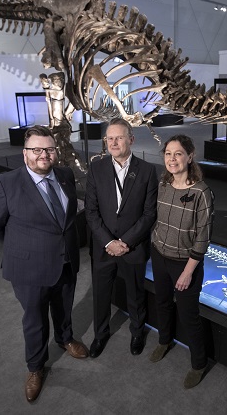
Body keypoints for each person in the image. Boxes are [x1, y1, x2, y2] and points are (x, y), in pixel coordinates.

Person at [0, 125, 88, 403]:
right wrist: (23, 247)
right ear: (25, 152)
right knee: (35, 320)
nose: (44, 154)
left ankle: (65, 338)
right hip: (29, 268)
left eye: (49, 149)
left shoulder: (64, 175)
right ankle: (35, 367)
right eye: (37, 149)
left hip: (65, 260)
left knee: (64, 307)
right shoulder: (7, 183)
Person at [85, 118, 158, 358]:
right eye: (109, 138)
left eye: (119, 137)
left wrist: (125, 243)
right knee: (101, 295)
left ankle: (137, 332)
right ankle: (100, 334)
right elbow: (91, 211)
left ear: (131, 140)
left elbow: (149, 214)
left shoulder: (147, 171)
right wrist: (109, 242)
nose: (113, 142)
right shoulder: (96, 168)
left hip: (132, 248)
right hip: (103, 248)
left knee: (135, 295)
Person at [148, 134, 214, 389]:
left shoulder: (201, 192)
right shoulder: (163, 184)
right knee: (162, 303)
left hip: (185, 265)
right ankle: (164, 340)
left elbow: (203, 237)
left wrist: (187, 273)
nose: (172, 159)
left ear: (189, 156)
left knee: (189, 316)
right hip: (160, 256)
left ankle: (199, 363)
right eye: (168, 154)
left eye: (177, 154)